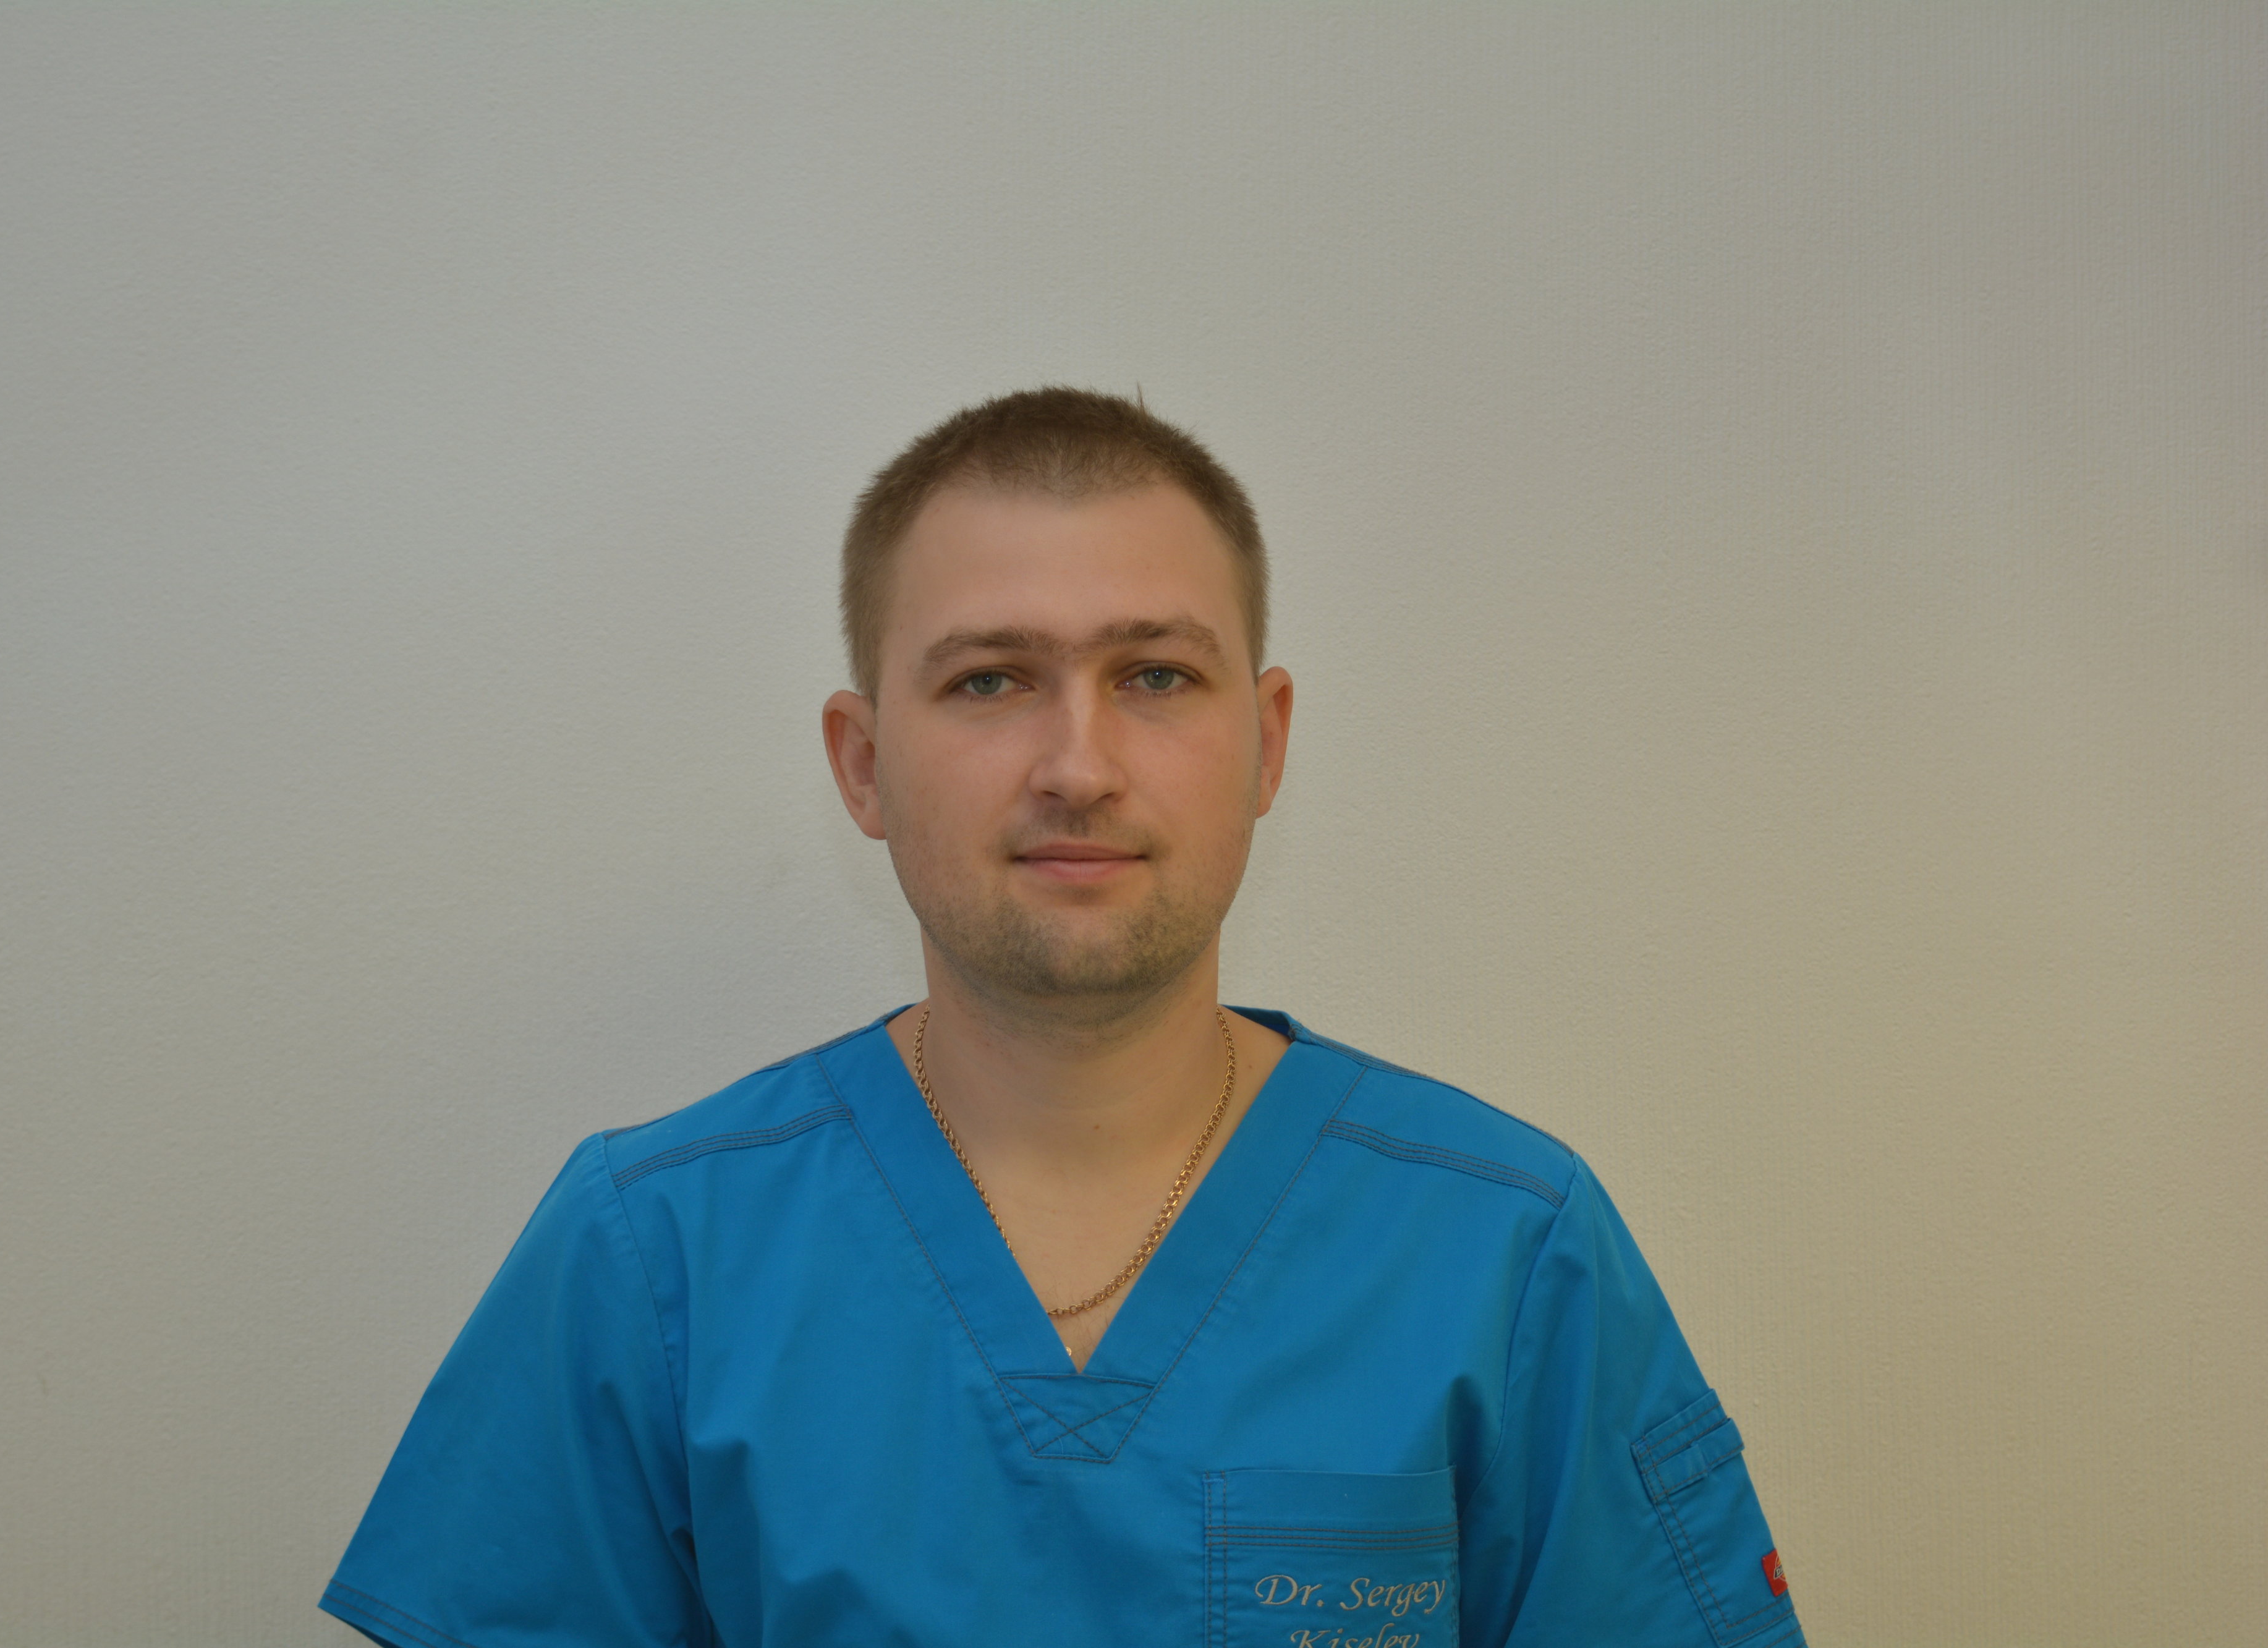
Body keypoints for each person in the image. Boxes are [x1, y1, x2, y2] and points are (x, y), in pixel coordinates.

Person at [318, 388, 1804, 1647]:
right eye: (990, 681)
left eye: (1154, 675)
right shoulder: (651, 1259)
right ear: (862, 763)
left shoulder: (1506, 1252)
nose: (1077, 765)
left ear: (1264, 743)